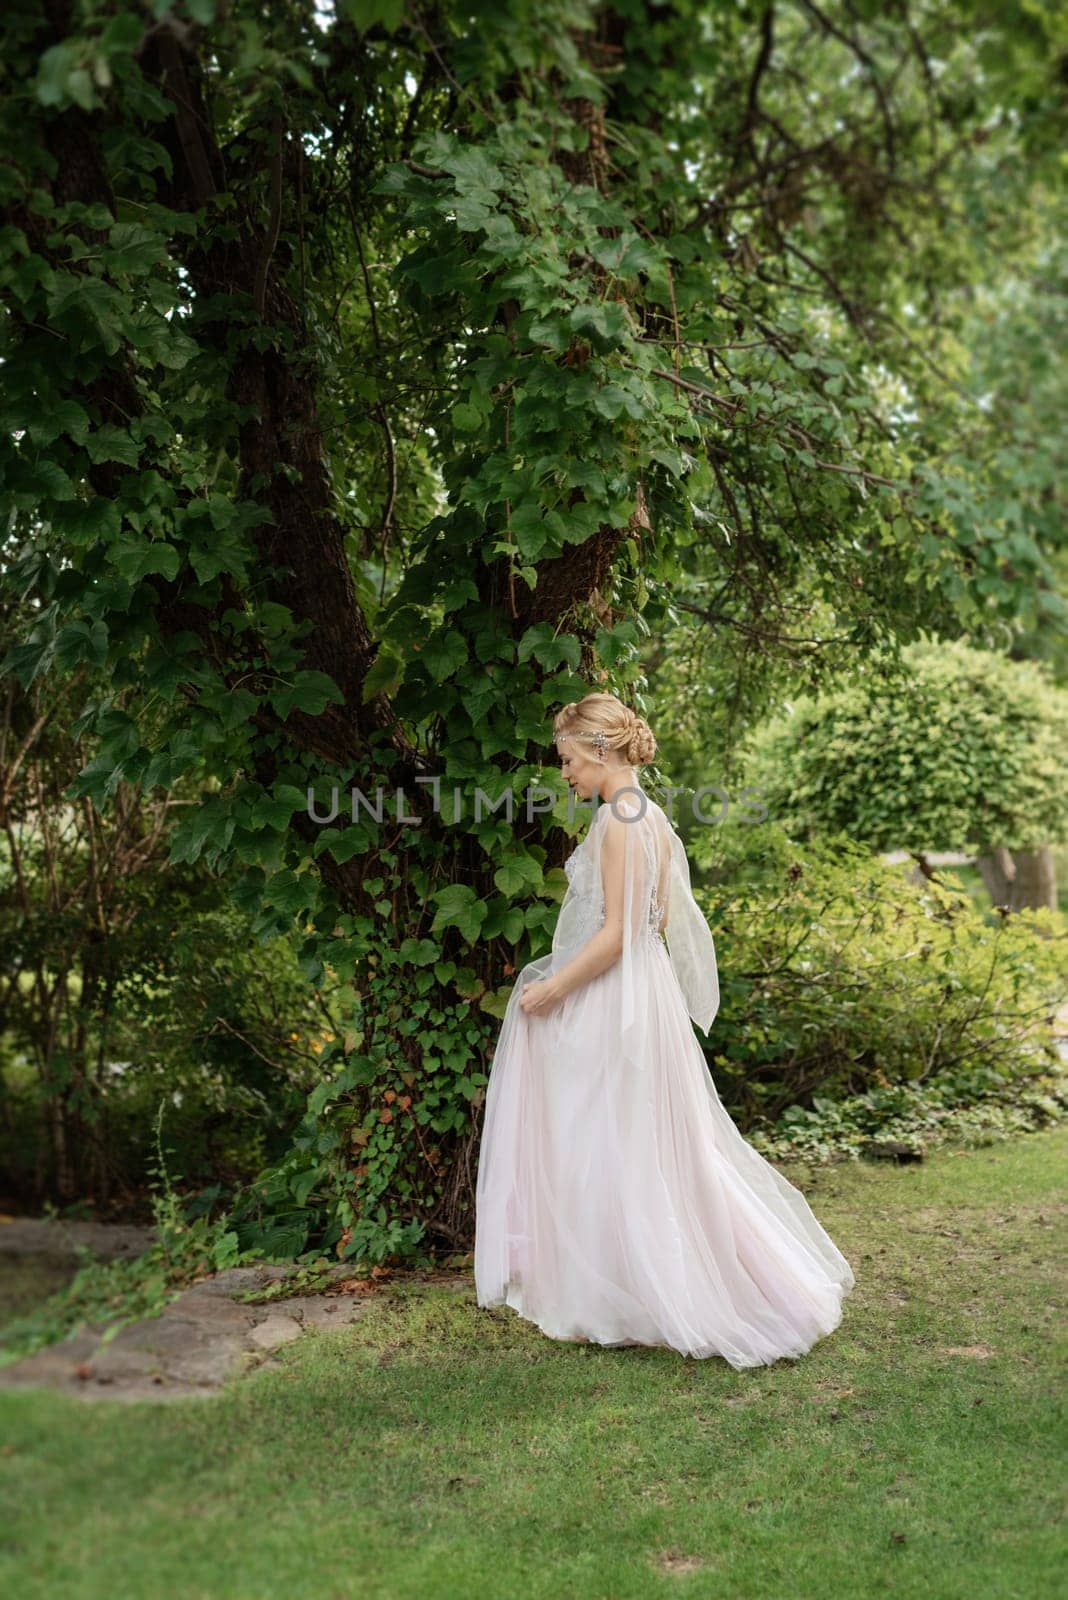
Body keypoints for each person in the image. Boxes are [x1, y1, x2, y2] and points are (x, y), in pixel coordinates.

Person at [473, 693, 856, 1367]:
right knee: (638, 1141)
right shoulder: (646, 816)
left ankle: (645, 1292)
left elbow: (619, 934)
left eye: (566, 759)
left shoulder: (621, 821)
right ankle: (628, 1288)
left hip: (618, 990)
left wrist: (554, 989)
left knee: (616, 1135)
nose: (563, 774)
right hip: (639, 990)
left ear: (598, 750)